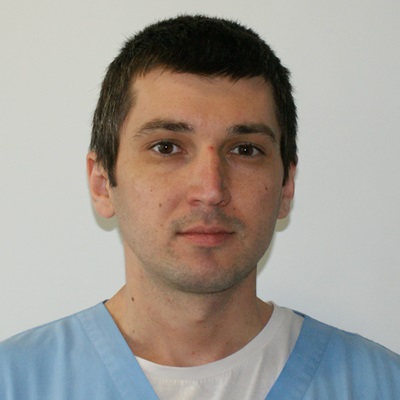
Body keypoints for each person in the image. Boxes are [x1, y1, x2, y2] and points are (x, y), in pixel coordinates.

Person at [0, 14, 399, 400]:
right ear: (102, 183)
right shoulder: (14, 383)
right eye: (166, 147)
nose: (210, 190)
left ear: (286, 186)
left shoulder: (383, 387)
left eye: (245, 150)